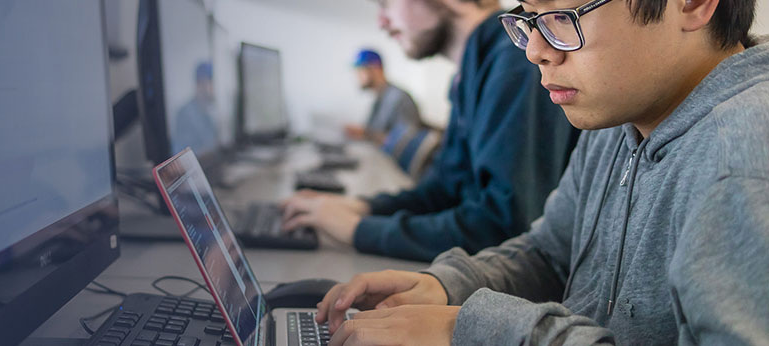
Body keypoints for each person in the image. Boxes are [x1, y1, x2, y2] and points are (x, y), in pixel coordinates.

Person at [315, 0, 769, 344]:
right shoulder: (618, 119)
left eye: (561, 17)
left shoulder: (742, 162)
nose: (535, 51)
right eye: (529, 20)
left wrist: (472, 328)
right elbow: (551, 255)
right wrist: (446, 285)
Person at [281, 0, 578, 261]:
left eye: (386, 4)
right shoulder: (470, 76)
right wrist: (363, 207)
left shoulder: (515, 64)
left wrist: (358, 230)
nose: (382, 22)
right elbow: (443, 191)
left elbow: (505, 225)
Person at [344, 49, 422, 145]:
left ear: (376, 69)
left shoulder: (399, 98)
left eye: (360, 70)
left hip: (389, 159)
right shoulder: (380, 97)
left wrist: (366, 134)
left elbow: (405, 143)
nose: (356, 76)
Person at [172, 62, 219, 155]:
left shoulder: (208, 113)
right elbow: (180, 153)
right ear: (201, 83)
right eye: (212, 82)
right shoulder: (185, 113)